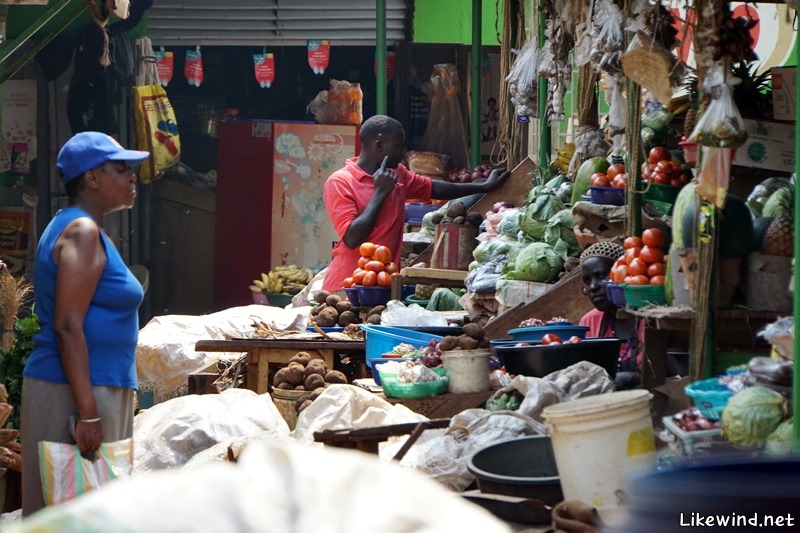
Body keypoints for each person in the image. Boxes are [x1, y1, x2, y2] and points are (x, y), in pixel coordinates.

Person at [21, 132, 149, 516]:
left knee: (79, 516)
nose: (131, 178)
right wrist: (89, 412)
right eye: (121, 169)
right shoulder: (83, 232)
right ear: (92, 178)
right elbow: (66, 325)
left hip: (87, 387)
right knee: (81, 517)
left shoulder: (76, 225)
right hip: (75, 392)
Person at [322, 115, 510, 291]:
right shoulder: (340, 182)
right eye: (398, 146)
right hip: (346, 287)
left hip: (385, 285)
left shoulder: (398, 173)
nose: (403, 151)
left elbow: (434, 188)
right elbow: (352, 238)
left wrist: (484, 186)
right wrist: (380, 193)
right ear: (378, 146)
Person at [578, 241, 643, 388]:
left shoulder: (649, 319)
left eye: (601, 275)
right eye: (587, 281)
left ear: (623, 274)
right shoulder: (589, 322)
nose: (593, 287)